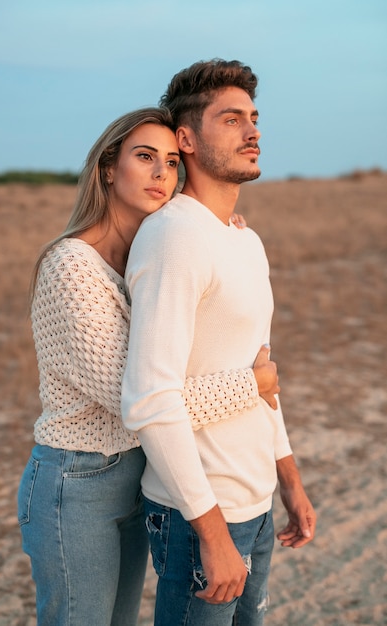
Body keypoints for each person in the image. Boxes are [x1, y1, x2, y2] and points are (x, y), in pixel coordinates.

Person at [17, 106, 281, 626]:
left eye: (171, 162)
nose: (163, 173)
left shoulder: (144, 255)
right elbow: (140, 400)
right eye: (144, 157)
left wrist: (220, 237)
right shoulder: (71, 266)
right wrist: (251, 385)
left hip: (137, 473)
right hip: (77, 480)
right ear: (109, 168)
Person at [121, 60, 317, 625]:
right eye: (231, 119)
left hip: (253, 504)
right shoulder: (174, 237)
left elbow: (262, 376)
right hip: (200, 514)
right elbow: (149, 398)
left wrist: (290, 482)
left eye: (253, 118)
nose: (252, 131)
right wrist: (209, 530)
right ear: (186, 139)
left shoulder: (244, 240)